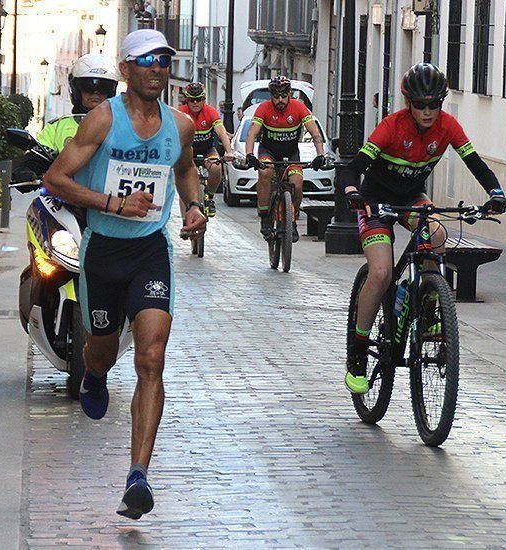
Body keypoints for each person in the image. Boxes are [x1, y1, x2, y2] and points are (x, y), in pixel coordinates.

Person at [42, 29, 206, 520]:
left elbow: (185, 170)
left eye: (165, 60)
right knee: (103, 348)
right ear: (127, 70)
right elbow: (56, 178)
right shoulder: (101, 120)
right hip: (103, 251)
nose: (159, 68)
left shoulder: (179, 126)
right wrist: (114, 203)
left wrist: (195, 206)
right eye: (149, 60)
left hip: (150, 251)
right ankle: (94, 373)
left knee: (152, 357)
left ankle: (139, 475)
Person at [342, 63, 506, 394]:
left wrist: (496, 193)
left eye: (435, 104)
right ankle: (357, 353)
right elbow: (352, 169)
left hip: (411, 199)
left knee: (437, 234)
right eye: (421, 105)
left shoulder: (447, 127)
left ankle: (429, 305)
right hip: (376, 202)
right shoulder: (391, 127)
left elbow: (475, 163)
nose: (428, 112)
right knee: (381, 273)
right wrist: (353, 194)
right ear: (409, 103)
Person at [12, 53, 119, 181]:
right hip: (63, 195)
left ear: (111, 91)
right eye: (88, 86)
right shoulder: (57, 128)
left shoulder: (122, 128)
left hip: (110, 196)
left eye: (103, 87)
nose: (96, 92)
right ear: (76, 90)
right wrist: (26, 169)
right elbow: (39, 156)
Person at [245, 75, 326, 241]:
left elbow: (315, 133)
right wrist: (249, 155)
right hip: (268, 151)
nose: (280, 100)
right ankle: (265, 216)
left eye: (283, 96)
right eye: (276, 97)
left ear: (290, 94)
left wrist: (320, 155)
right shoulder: (263, 108)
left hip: (291, 153)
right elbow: (252, 133)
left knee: (296, 182)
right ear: (271, 96)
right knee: (265, 173)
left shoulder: (299, 108)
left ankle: (292, 218)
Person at [178, 82, 235, 217]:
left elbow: (221, 132)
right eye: (192, 100)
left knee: (216, 168)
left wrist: (229, 151)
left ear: (204, 99)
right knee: (184, 188)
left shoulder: (210, 112)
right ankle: (185, 220)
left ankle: (209, 197)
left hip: (207, 150)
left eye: (199, 99)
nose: (196, 103)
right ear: (187, 100)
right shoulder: (181, 112)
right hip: (187, 152)